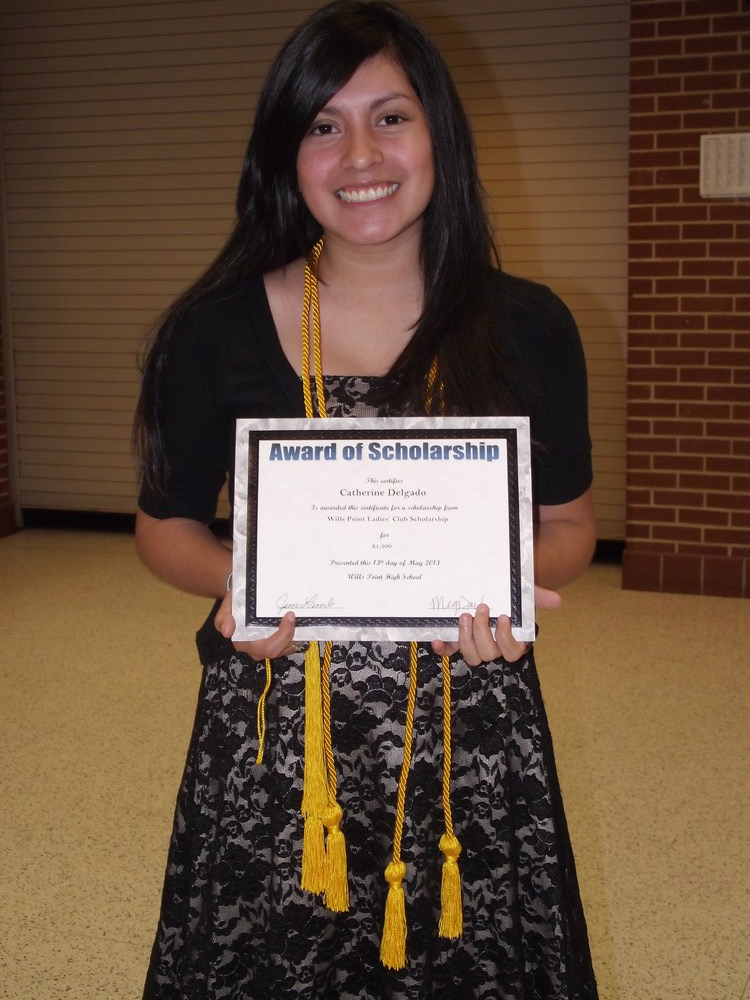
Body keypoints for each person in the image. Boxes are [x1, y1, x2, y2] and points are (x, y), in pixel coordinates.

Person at [134, 2, 598, 997]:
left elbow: (568, 527)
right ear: (285, 153)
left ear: (439, 132)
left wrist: (514, 587)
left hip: (473, 733)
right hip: (274, 743)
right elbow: (163, 526)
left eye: (390, 117)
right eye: (323, 124)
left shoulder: (527, 325)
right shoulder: (215, 329)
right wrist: (240, 584)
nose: (359, 156)